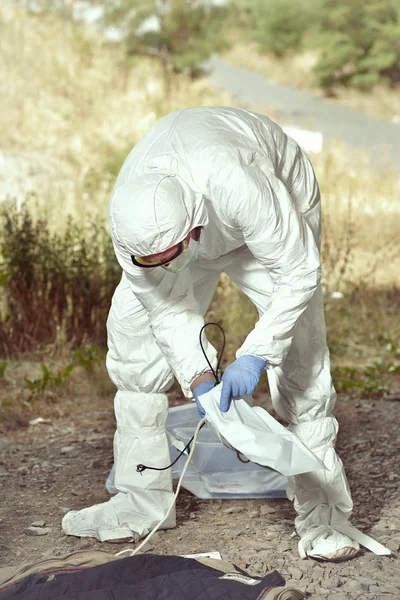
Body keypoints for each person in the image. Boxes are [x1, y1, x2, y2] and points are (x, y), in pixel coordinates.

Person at [62, 106, 359, 561]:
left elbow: (299, 270)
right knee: (133, 345)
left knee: (302, 350)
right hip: (186, 228)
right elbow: (164, 309)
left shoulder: (240, 186)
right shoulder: (133, 228)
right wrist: (200, 379)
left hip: (271, 211)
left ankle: (325, 519)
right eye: (150, 260)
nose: (161, 266)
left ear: (193, 229)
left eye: (170, 253)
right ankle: (141, 504)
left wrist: (258, 353)